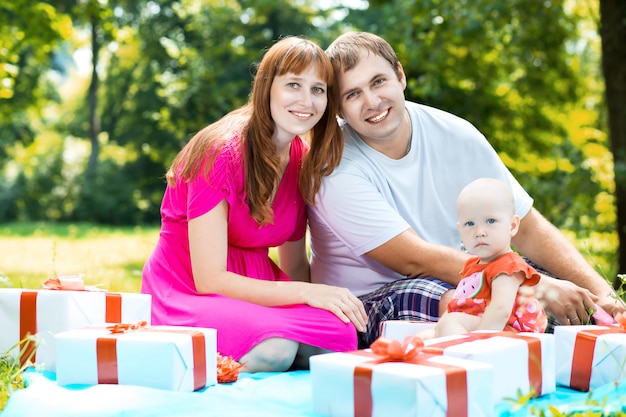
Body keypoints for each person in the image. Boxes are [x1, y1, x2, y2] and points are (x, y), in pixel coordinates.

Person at [307, 31, 625, 348]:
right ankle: (512, 356)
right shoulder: (332, 167)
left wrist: (604, 296)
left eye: (379, 82)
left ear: (400, 76)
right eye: (353, 94)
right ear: (338, 109)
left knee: (561, 291)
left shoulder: (455, 133)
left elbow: (525, 226)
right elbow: (414, 260)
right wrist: (536, 288)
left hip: (465, 275)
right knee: (459, 296)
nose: (372, 102)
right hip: (369, 302)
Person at [141, 36, 367, 373]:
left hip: (258, 285)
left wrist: (314, 298)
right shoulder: (220, 152)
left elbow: (293, 264)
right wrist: (308, 294)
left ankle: (266, 356)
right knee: (276, 348)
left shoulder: (301, 161)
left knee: (340, 332)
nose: (307, 101)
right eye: (294, 85)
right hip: (188, 288)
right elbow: (210, 279)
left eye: (318, 89)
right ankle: (215, 382)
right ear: (267, 88)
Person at [433, 177, 547, 337]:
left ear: (512, 226)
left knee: (452, 323)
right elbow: (455, 305)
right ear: (460, 229)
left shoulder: (509, 265)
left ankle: (460, 357)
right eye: (470, 224)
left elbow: (500, 310)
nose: (479, 231)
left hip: (509, 331)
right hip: (483, 324)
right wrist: (438, 330)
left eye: (491, 221)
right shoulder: (471, 266)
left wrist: (480, 341)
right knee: (426, 335)